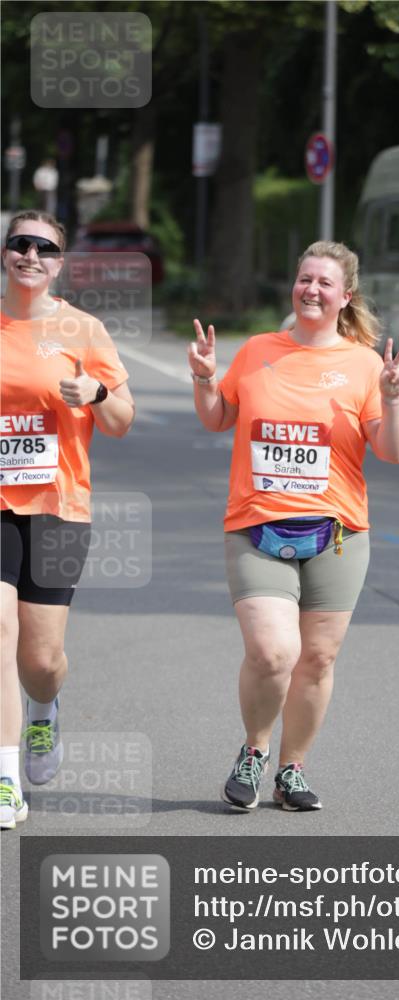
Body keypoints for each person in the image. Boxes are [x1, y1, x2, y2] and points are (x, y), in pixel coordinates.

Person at [189, 240, 399, 812]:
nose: (311, 289)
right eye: (304, 279)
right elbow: (218, 418)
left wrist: (393, 398)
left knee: (316, 660)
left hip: (336, 534)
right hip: (257, 523)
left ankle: (292, 771)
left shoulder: (363, 364)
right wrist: (205, 379)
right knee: (272, 651)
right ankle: (254, 750)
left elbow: (392, 451)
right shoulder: (260, 349)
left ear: (345, 297)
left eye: (324, 283)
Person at [0, 211, 135, 830]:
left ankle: (44, 710)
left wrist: (98, 397)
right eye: (19, 244)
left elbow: (121, 419)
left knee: (41, 655)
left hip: (58, 506)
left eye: (43, 248)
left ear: (60, 262)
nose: (30, 255)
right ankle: (5, 781)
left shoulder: (82, 329)